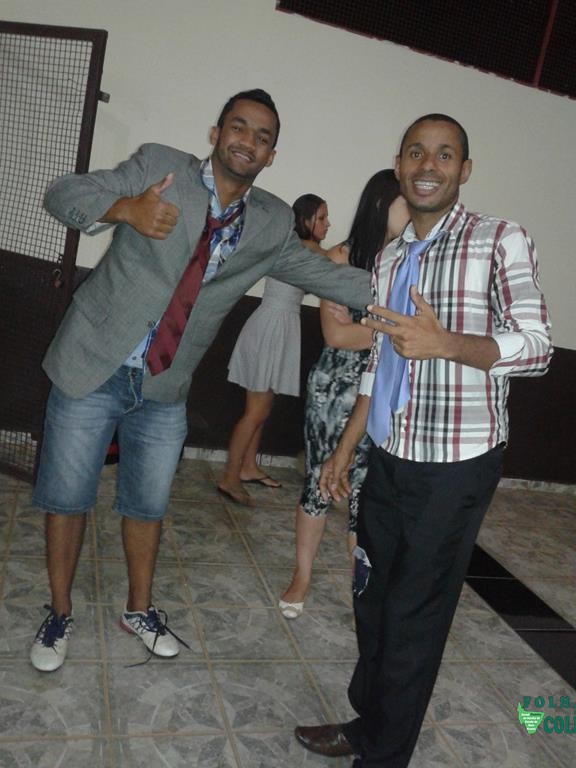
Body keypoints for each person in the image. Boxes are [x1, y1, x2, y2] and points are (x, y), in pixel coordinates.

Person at [29, 88, 372, 672]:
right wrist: (125, 209)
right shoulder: (160, 167)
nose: (248, 141)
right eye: (238, 127)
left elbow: (327, 276)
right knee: (66, 499)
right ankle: (59, 612)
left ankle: (139, 610)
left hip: (164, 386)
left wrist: (412, 295)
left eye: (262, 137)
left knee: (147, 506)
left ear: (271, 155)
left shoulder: (270, 221)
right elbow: (63, 194)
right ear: (216, 134)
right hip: (94, 362)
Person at [294, 114, 552, 767]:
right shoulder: (389, 258)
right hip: (388, 454)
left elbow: (538, 348)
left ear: (464, 169)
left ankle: (382, 754)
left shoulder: (499, 240)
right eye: (416, 152)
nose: (428, 165)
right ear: (400, 164)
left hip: (455, 466)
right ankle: (369, 723)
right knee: (371, 596)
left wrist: (448, 345)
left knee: (414, 614)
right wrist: (347, 446)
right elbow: (381, 359)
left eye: (444, 154)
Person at [279, 171, 409, 619]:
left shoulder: (409, 262)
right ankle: (302, 575)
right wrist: (394, 330)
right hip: (335, 391)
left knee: (366, 494)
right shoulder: (340, 258)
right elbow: (336, 335)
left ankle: (362, 583)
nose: (413, 210)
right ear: (381, 204)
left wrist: (375, 329)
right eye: (404, 201)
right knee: (320, 480)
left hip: (384, 392)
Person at [218, 194, 330, 506]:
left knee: (262, 409)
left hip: (277, 323)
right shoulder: (304, 246)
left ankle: (248, 467)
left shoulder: (296, 246)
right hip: (273, 326)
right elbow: (337, 260)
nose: (327, 224)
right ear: (305, 219)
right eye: (322, 218)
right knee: (255, 411)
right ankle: (229, 477)